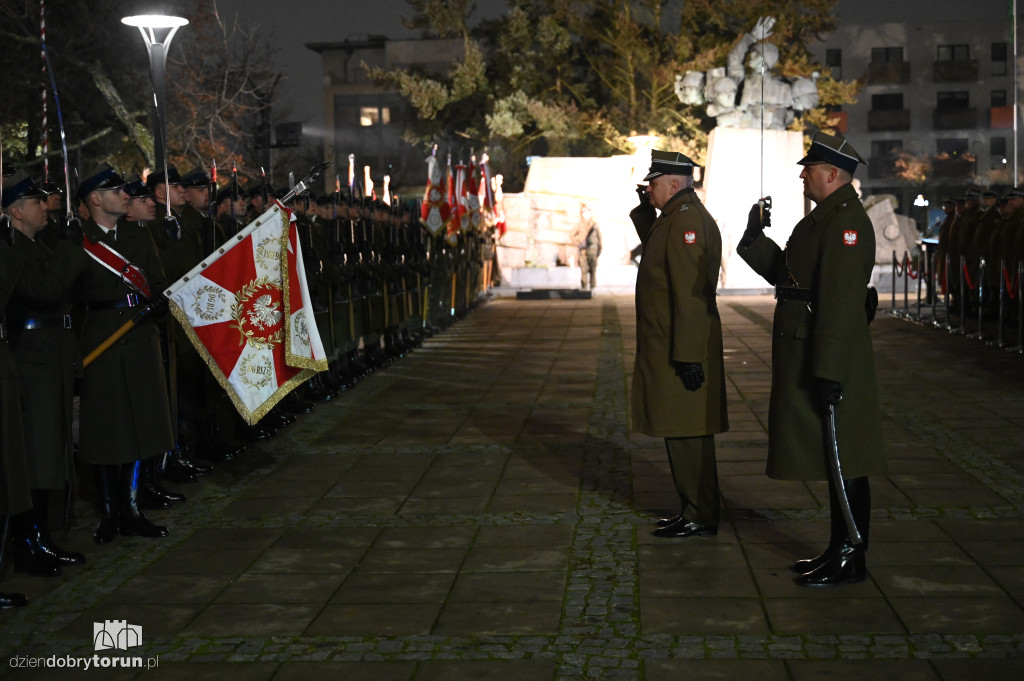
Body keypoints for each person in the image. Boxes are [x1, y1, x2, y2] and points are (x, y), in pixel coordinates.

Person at [738, 131, 886, 586]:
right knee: (832, 454)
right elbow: (789, 274)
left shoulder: (846, 223)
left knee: (847, 456)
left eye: (809, 168)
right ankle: (838, 549)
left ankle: (850, 553)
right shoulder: (824, 218)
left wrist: (829, 370)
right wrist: (754, 233)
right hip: (812, 350)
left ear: (831, 174)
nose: (802, 174)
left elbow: (841, 301)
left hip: (829, 355)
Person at [629, 150, 728, 538]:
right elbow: (658, 247)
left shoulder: (687, 223)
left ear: (674, 184)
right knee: (681, 429)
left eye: (653, 185)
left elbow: (689, 295)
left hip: (681, 346)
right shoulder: (675, 218)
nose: (648, 190)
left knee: (688, 433)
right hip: (673, 343)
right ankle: (693, 508)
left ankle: (700, 513)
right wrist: (645, 210)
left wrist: (687, 356)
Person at [76, 163, 176, 543]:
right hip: (101, 338)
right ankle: (108, 514)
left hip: (140, 336)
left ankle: (132, 508)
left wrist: (160, 301)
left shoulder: (137, 235)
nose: (126, 196)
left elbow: (157, 277)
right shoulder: (78, 239)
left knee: (139, 426)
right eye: (117, 192)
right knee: (105, 429)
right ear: (96, 199)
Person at [571, 204, 602, 290]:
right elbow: (571, 234)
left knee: (593, 270)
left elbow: (599, 237)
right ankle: (584, 287)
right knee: (584, 270)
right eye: (583, 212)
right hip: (583, 250)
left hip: (593, 250)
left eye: (587, 212)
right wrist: (577, 243)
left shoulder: (595, 225)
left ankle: (593, 288)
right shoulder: (579, 224)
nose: (585, 214)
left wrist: (600, 249)